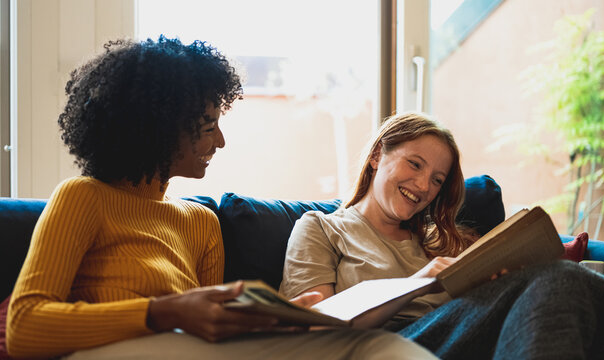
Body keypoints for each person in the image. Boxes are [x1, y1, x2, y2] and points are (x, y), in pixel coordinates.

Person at [5, 36, 435, 360]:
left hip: (184, 350)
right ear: (156, 127)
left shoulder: (199, 221)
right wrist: (164, 312)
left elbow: (211, 326)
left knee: (373, 346)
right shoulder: (84, 198)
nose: (221, 141)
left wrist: (279, 318)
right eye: (207, 125)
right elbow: (24, 326)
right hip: (111, 350)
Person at [280, 112, 604, 359]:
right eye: (414, 164)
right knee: (560, 280)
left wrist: (496, 285)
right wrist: (420, 281)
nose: (423, 186)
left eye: (437, 180)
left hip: (463, 338)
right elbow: (315, 332)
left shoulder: (441, 239)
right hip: (386, 346)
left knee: (561, 294)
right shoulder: (320, 228)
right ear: (377, 155)